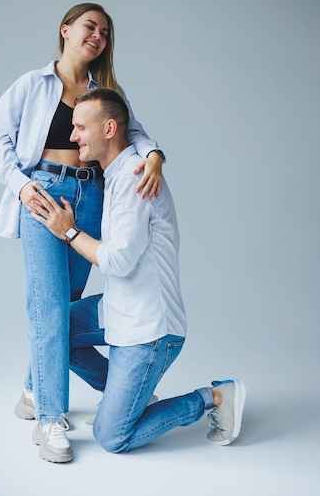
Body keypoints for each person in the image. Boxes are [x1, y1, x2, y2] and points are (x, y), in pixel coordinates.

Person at [0, 3, 165, 463]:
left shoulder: (104, 92)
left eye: (105, 31)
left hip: (92, 200)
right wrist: (23, 186)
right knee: (46, 307)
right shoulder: (33, 84)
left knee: (62, 307)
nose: (98, 35)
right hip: (44, 193)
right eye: (90, 26)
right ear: (65, 30)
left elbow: (134, 133)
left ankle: (32, 390)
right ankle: (49, 417)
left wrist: (156, 156)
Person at [31, 88, 246, 462]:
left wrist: (68, 231)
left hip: (150, 330)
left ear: (109, 128)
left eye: (80, 127)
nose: (73, 136)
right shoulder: (117, 173)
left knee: (111, 435)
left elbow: (117, 262)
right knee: (55, 331)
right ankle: (128, 395)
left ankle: (216, 397)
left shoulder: (133, 179)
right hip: (120, 308)